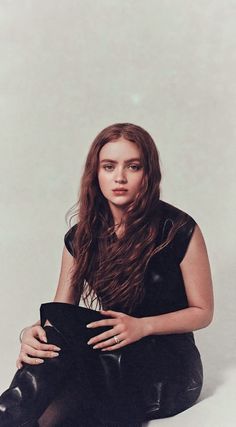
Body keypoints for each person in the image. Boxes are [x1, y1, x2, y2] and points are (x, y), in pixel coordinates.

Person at [0, 123, 214, 427]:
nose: (120, 177)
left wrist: (142, 326)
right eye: (109, 166)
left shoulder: (179, 229)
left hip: (168, 365)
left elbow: (203, 312)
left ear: (148, 173)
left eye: (133, 166)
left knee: (66, 400)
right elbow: (62, 314)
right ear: (95, 173)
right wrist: (32, 334)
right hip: (110, 350)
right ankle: (9, 414)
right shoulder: (80, 237)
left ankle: (11, 414)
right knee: (57, 354)